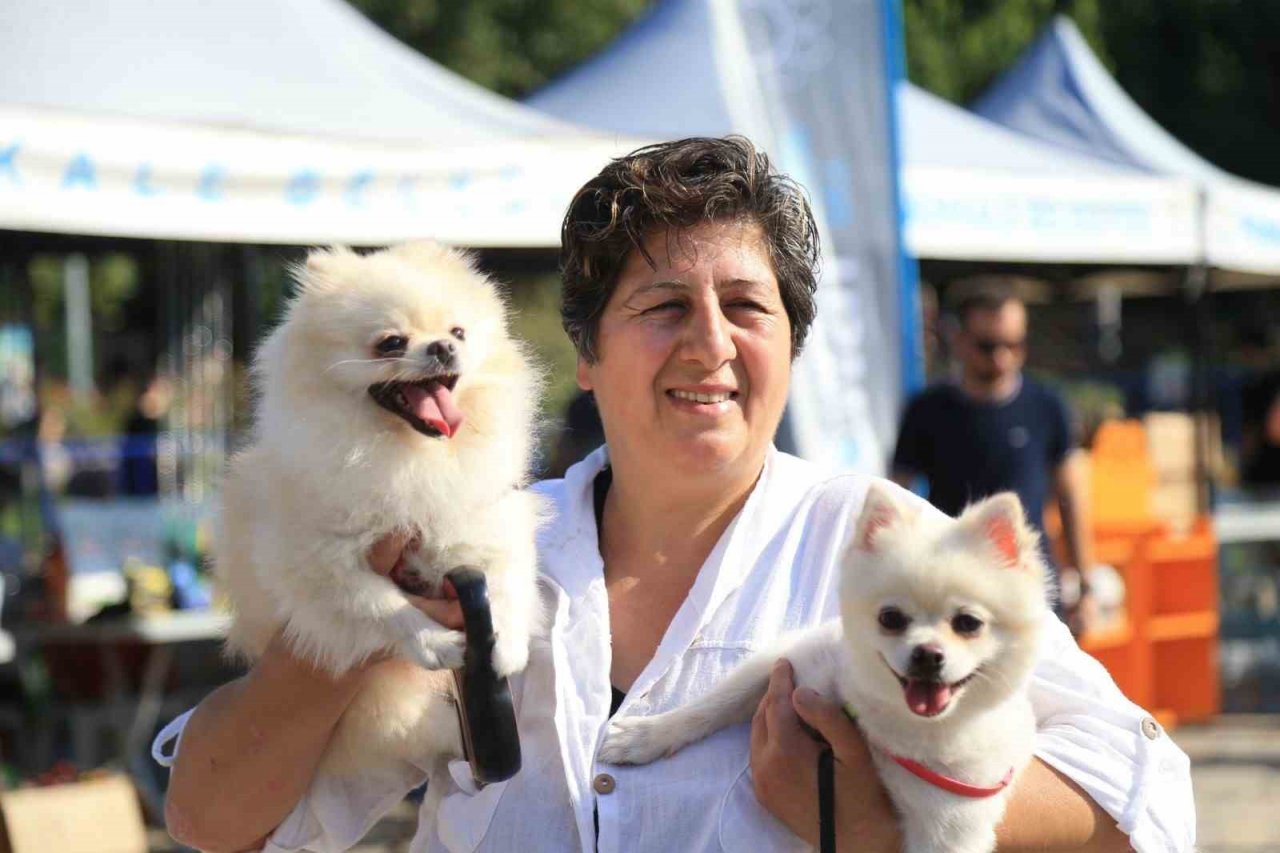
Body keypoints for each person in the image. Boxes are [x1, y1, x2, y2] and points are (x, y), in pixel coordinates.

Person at [158, 137, 1192, 852]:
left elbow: (1147, 799)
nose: (708, 343)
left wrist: (887, 823)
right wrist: (348, 613)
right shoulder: (481, 542)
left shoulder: (886, 547)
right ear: (588, 357)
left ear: (788, 346)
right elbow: (215, 821)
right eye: (660, 305)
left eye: (745, 305)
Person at [891, 283, 1097, 635]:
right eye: (987, 346)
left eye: (1013, 345)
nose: (1001, 357)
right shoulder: (928, 410)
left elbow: (1072, 498)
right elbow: (899, 501)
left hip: (1030, 588)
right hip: (949, 591)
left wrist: (1086, 586)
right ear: (959, 340)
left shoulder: (1046, 406)